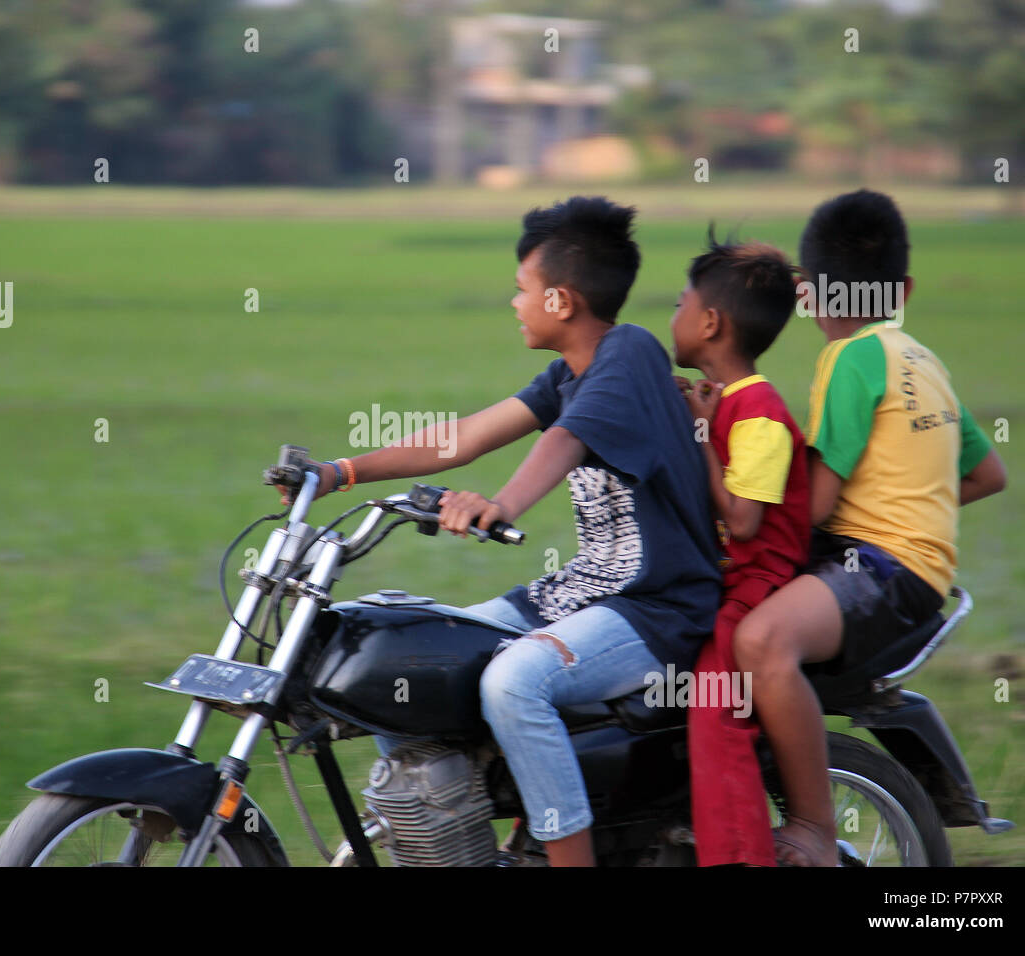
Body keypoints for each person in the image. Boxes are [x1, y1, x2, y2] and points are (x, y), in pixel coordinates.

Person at [279, 196, 720, 866]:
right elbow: (462, 439)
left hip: (657, 608)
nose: (514, 303)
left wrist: (504, 505)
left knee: (514, 683)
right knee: (408, 662)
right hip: (582, 595)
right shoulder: (566, 375)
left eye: (523, 290)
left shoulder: (628, 352)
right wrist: (340, 471)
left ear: (563, 300)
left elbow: (567, 440)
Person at [731, 189, 1008, 865]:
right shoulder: (923, 360)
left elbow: (816, 507)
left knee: (761, 641)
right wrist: (913, 513)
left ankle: (815, 830)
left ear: (806, 293)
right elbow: (986, 474)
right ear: (904, 288)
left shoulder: (851, 359)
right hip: (913, 568)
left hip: (879, 569)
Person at [669, 232, 811, 867]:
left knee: (712, 712)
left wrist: (701, 434)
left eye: (679, 304)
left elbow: (745, 521)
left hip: (759, 585)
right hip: (729, 579)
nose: (671, 318)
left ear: (710, 322)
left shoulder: (758, 411)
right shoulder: (726, 400)